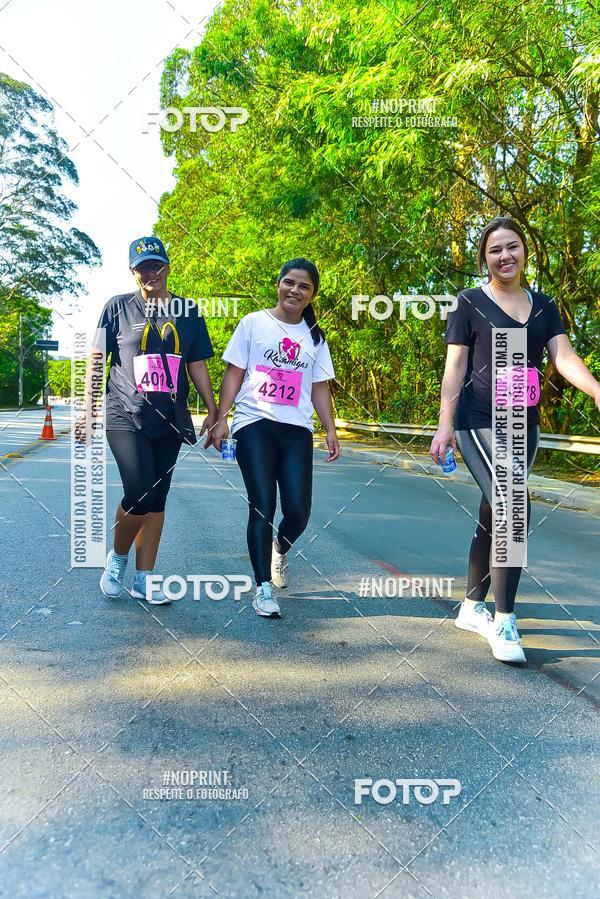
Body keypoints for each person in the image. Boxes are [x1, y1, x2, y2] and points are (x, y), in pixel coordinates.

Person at [430, 217, 600, 663]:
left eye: (513, 246)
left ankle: (471, 606)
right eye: (494, 249)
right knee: (512, 504)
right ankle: (504, 620)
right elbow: (455, 368)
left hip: (524, 425)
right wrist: (445, 422)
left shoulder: (544, 306)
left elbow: (563, 357)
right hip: (478, 420)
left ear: (525, 252)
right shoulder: (469, 302)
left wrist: (596, 388)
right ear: (484, 258)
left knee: (494, 511)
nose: (505, 256)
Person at [78, 236, 218, 604]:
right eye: (142, 268)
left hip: (170, 418)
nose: (150, 273)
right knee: (139, 490)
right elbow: (96, 358)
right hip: (124, 411)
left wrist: (214, 409)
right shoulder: (117, 307)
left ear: (168, 267)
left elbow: (197, 363)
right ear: (132, 272)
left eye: (156, 265)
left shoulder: (188, 311)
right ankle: (118, 559)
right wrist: (88, 407)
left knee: (157, 499)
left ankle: (144, 579)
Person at [212, 258, 340, 618]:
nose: (295, 291)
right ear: (278, 284)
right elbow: (234, 374)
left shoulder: (314, 336)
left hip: (296, 429)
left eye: (304, 286)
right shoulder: (253, 323)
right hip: (254, 424)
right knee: (262, 505)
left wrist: (330, 428)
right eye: (289, 283)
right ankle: (263, 588)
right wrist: (221, 419)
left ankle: (278, 549)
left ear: (313, 294)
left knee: (299, 510)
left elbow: (319, 387)